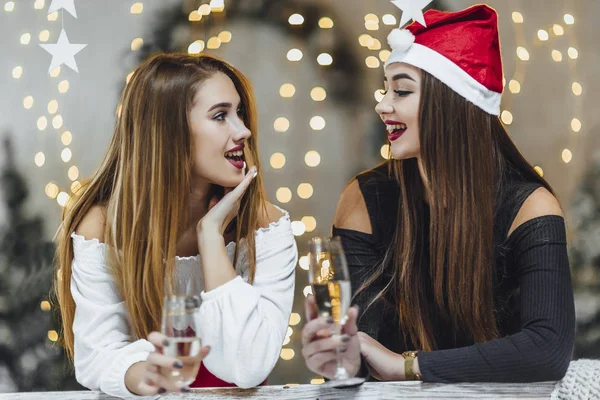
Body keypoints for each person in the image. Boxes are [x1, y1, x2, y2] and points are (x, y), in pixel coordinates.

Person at [302, 4, 575, 383]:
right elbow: (364, 343)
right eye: (385, 88)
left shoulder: (529, 207)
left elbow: (547, 349)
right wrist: (343, 360)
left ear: (452, 102)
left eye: (401, 90)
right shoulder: (364, 199)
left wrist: (410, 366)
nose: (382, 105)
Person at [54, 53, 297, 398]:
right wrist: (145, 375)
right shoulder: (103, 227)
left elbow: (249, 366)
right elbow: (97, 355)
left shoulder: (265, 227)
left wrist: (211, 238)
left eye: (239, 112)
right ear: (168, 132)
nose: (243, 130)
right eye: (220, 115)